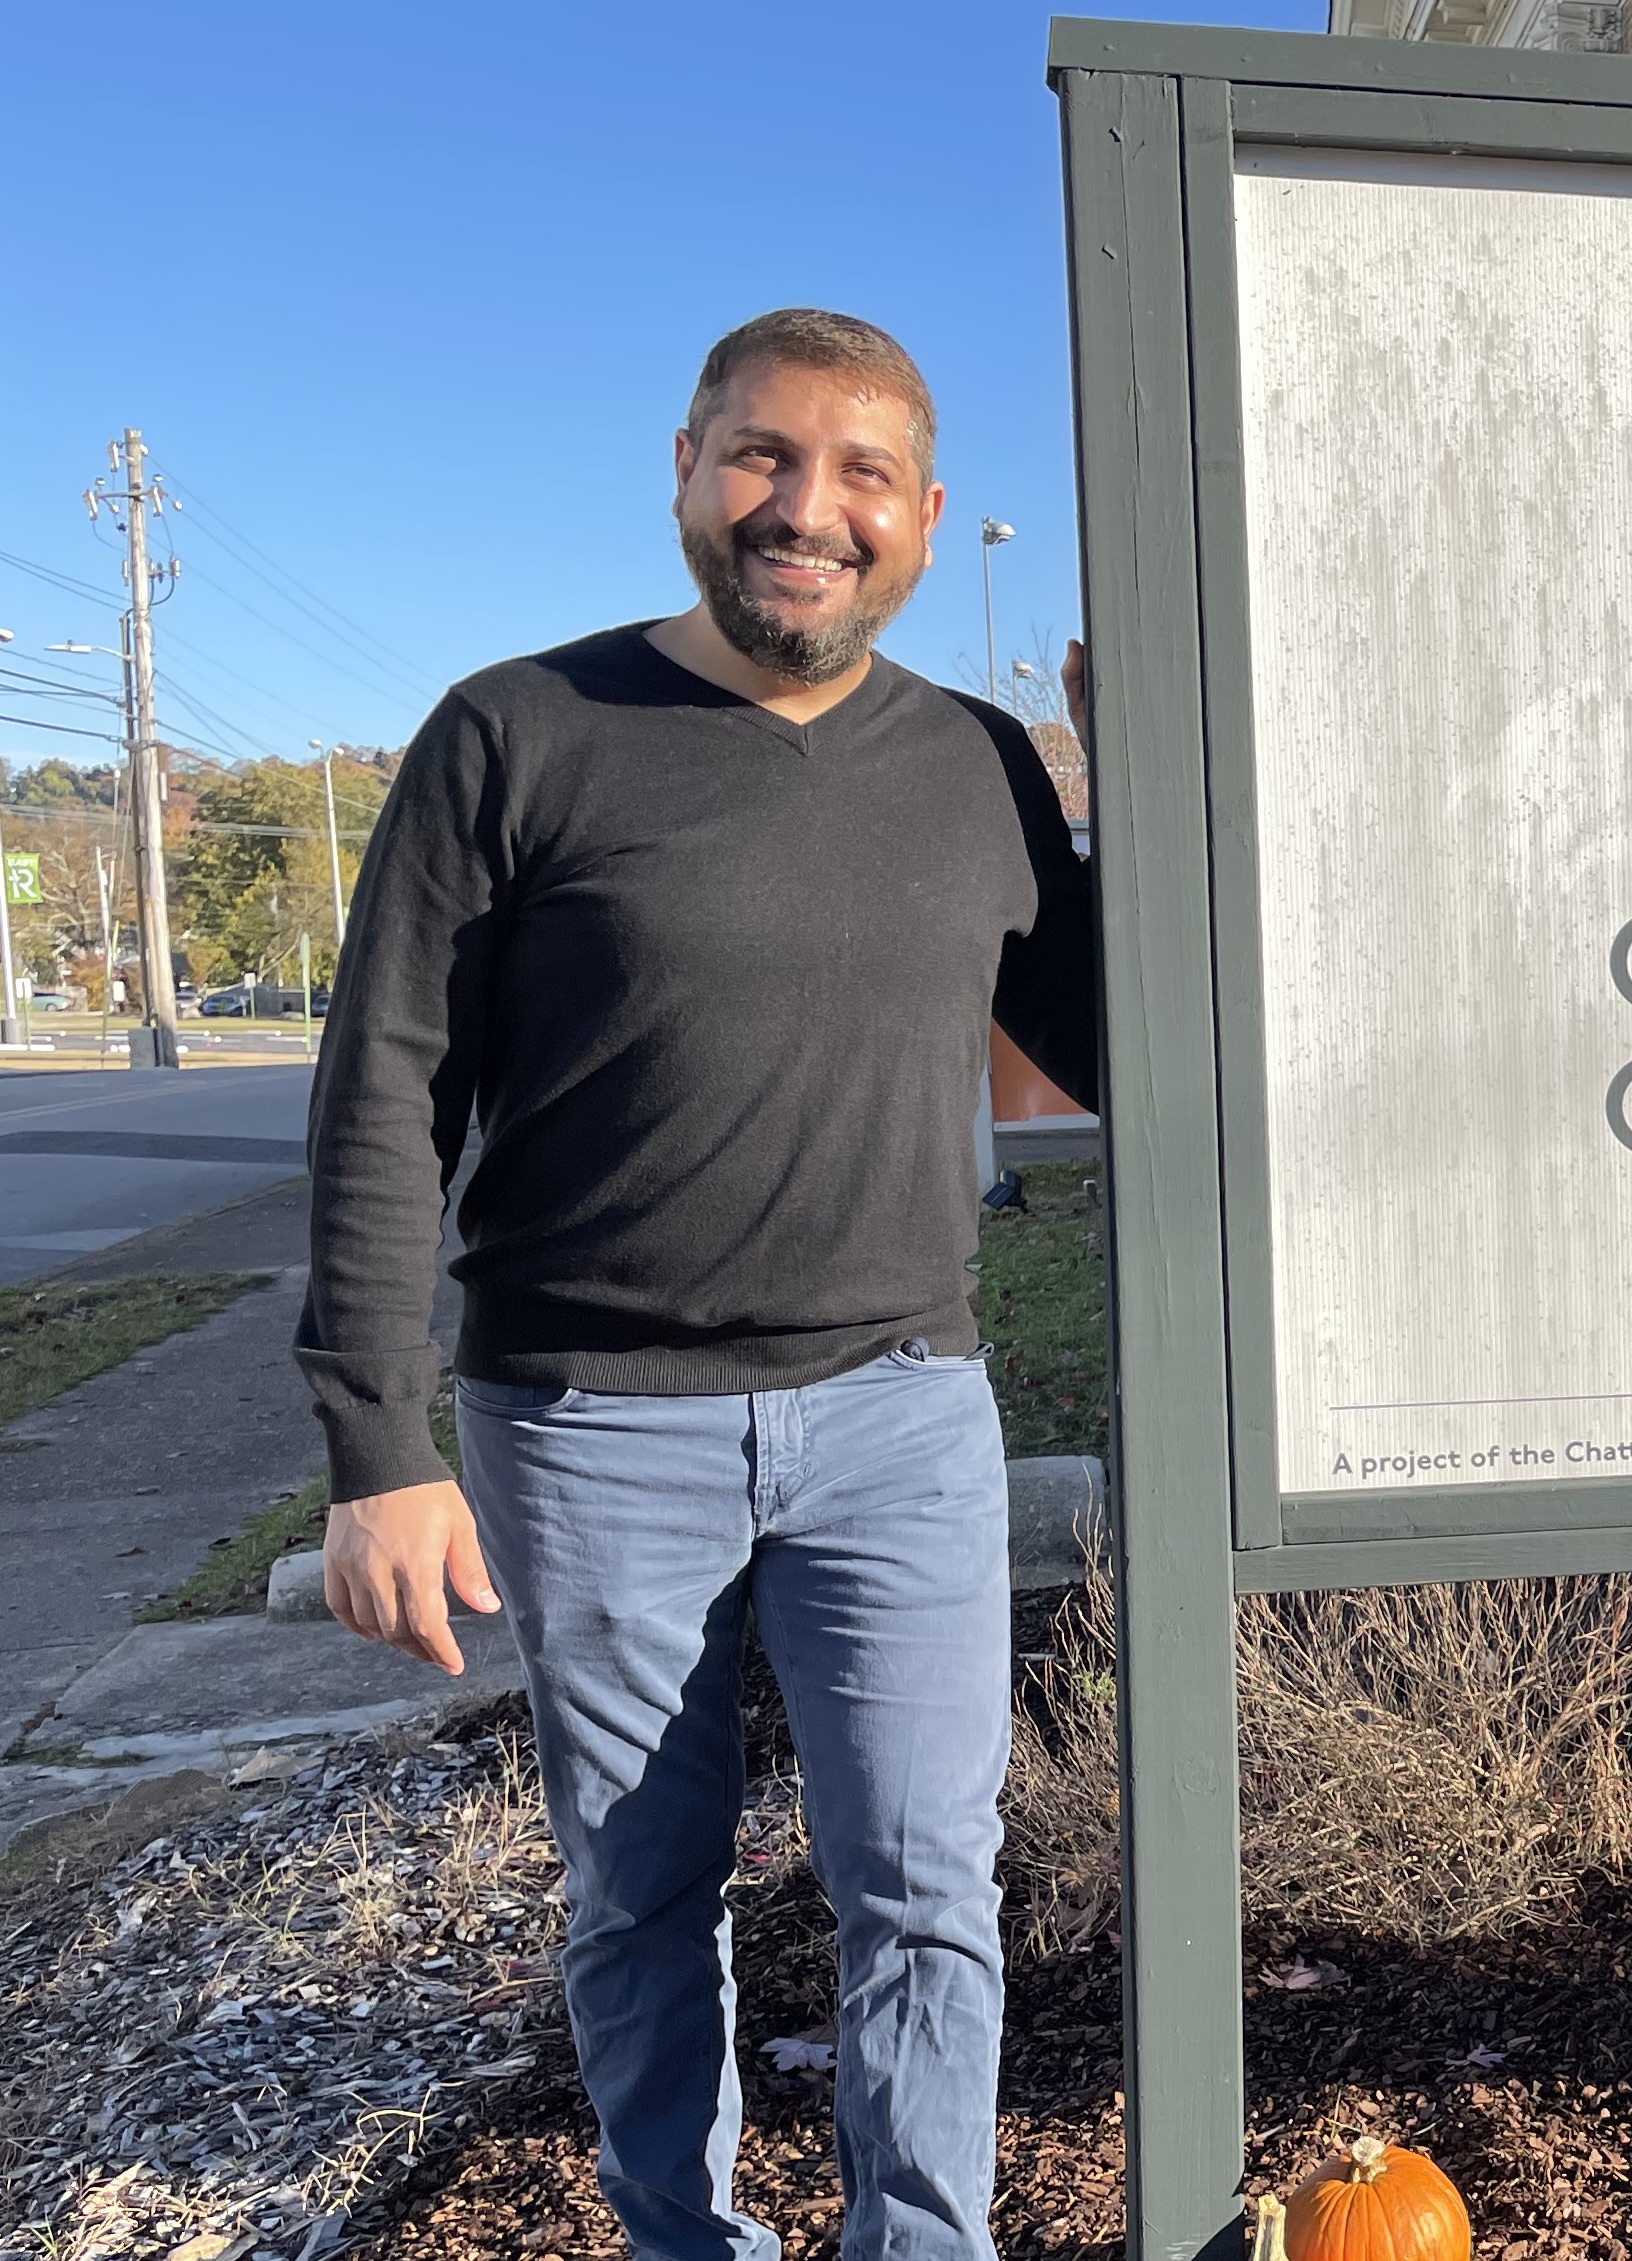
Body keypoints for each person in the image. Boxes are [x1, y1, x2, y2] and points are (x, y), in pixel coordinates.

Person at [299, 308, 1100, 2261]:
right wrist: (373, 1450)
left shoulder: (985, 766)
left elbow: (1101, 1045)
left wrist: (1142, 797)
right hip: (587, 1424)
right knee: (641, 1894)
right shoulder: (517, 736)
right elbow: (382, 1095)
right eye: (761, 457)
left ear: (921, 521)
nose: (803, 509)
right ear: (684, 471)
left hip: (902, 1409)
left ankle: (923, 2243)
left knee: (929, 1889)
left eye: (858, 476)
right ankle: (684, 2236)